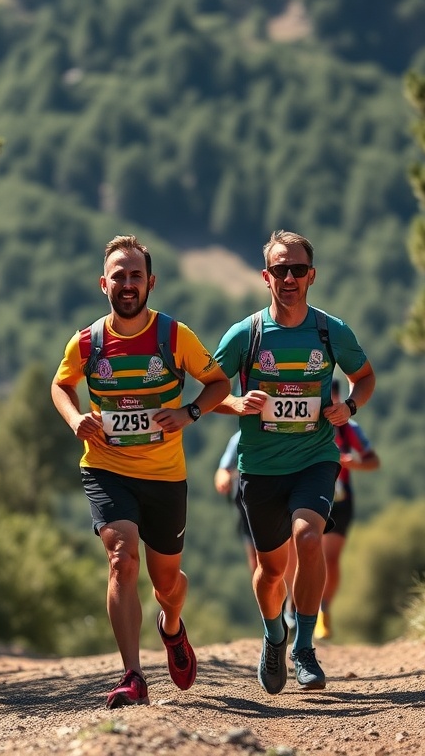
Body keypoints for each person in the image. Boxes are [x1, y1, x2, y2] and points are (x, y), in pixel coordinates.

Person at [50, 234, 231, 708]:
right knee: (120, 559)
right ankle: (132, 674)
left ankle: (171, 627)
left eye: (135, 276)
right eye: (118, 276)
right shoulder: (88, 342)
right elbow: (60, 385)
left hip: (165, 476)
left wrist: (190, 412)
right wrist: (76, 419)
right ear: (102, 283)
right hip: (107, 468)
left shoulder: (174, 336)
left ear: (150, 282)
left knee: (167, 582)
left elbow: (217, 382)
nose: (127, 285)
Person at [212, 229, 375, 694]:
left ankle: (304, 648)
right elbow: (209, 390)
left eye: (297, 269)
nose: (288, 277)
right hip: (260, 468)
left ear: (311, 276)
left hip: (315, 458)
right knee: (270, 571)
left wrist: (351, 408)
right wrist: (236, 404)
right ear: (266, 276)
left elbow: (364, 378)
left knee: (309, 537)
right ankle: (273, 635)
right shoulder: (246, 334)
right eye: (280, 269)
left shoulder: (330, 331)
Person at [315, 377, 380, 641]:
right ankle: (295, 610)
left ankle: (323, 610)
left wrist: (351, 464)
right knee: (304, 555)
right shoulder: (300, 424)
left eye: (332, 402)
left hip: (340, 501)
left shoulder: (349, 428)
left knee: (329, 559)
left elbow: (373, 461)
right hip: (307, 496)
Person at [214, 430, 257, 573]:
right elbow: (222, 471)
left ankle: (290, 594)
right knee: (255, 557)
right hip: (247, 508)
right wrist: (224, 479)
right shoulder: (239, 438)